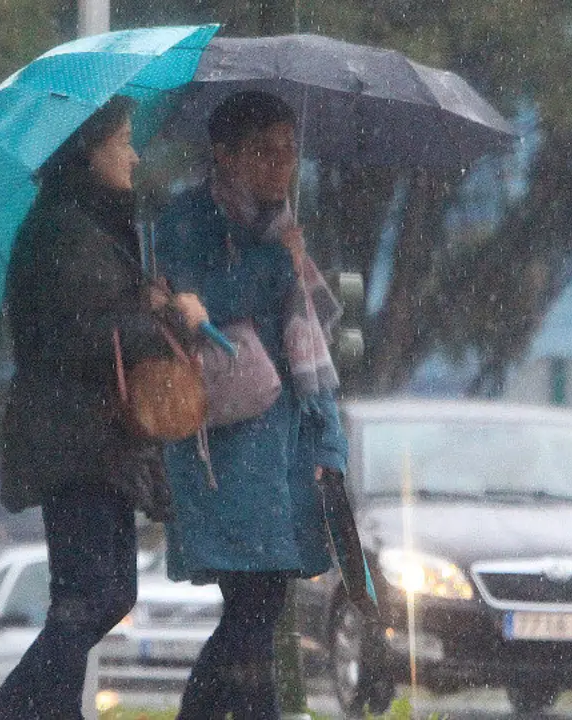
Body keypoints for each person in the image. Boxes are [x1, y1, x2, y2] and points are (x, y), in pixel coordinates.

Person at [0, 95, 207, 720]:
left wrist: (145, 297)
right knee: (95, 593)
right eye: (124, 141)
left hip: (91, 437)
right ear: (91, 148)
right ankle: (8, 712)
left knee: (98, 593)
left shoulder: (86, 224)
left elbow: (95, 315)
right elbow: (82, 336)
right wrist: (164, 316)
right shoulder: (64, 228)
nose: (134, 155)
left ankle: (47, 711)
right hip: (74, 439)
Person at [156, 90, 349, 720]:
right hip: (223, 451)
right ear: (224, 155)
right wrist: (273, 263)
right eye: (264, 152)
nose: (280, 165)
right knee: (251, 614)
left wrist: (329, 450)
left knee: (255, 620)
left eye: (289, 151)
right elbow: (191, 307)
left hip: (285, 454)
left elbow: (309, 362)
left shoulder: (283, 225)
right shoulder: (187, 221)